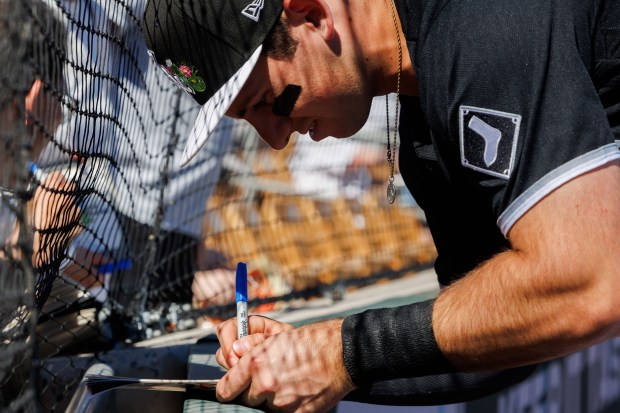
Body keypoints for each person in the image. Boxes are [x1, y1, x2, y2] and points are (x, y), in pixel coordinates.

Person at [142, 0, 620, 411]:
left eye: (270, 102)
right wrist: (307, 362)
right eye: (248, 120)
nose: (274, 137)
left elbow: (591, 282)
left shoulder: (475, 27)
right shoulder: (422, 117)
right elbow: (505, 337)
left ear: (312, 14)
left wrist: (344, 351)